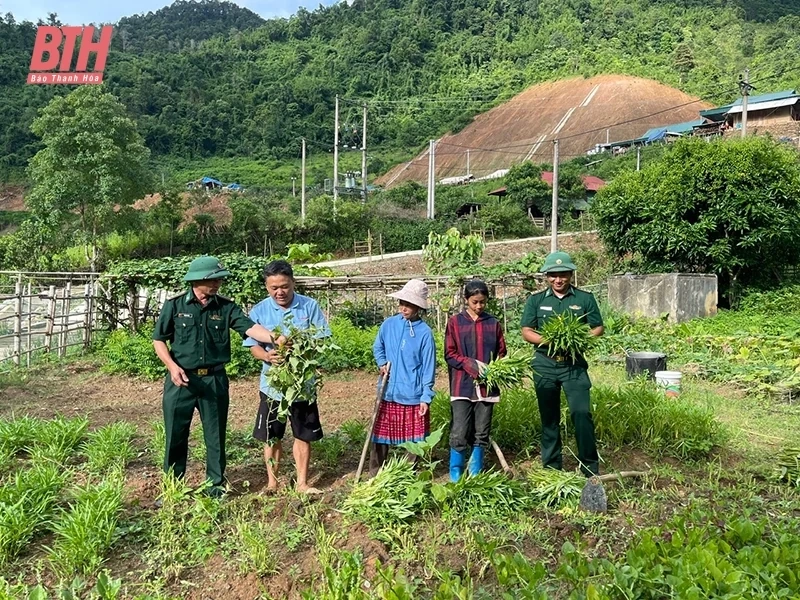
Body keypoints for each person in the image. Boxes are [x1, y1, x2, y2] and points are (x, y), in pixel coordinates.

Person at [152, 255, 281, 499]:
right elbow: (159, 339)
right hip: (181, 380)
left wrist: (275, 337)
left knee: (215, 435)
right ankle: (172, 487)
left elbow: (249, 328)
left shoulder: (225, 307)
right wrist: (171, 366)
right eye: (213, 280)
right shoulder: (175, 306)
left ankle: (215, 486)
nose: (217, 285)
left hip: (214, 381)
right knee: (175, 435)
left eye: (219, 280)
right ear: (197, 280)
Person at [243, 260, 330, 495]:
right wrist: (268, 357)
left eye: (284, 286)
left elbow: (322, 340)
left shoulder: (309, 306)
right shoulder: (259, 310)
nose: (279, 292)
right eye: (274, 288)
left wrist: (302, 351)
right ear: (266, 287)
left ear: (293, 283)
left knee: (303, 434)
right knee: (271, 436)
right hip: (273, 386)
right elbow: (253, 346)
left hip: (303, 386)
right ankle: (273, 482)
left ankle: (302, 483)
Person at [520, 251, 604, 476]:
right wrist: (550, 340)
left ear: (571, 274)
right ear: (547, 276)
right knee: (549, 417)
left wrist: (582, 338)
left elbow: (597, 327)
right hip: (544, 364)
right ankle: (552, 468)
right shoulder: (536, 300)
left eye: (564, 274)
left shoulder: (584, 299)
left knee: (581, 413)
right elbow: (526, 330)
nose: (559, 280)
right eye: (553, 275)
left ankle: (589, 468)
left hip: (573, 365)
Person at [370, 279, 436, 476]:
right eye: (402, 303)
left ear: (418, 307)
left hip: (412, 393)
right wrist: (382, 362)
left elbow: (428, 368)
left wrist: (426, 396)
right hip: (388, 390)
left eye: (409, 304)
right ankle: (375, 475)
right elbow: (378, 346)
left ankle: (407, 475)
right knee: (379, 436)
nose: (404, 307)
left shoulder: (425, 334)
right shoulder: (389, 325)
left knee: (414, 440)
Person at [444, 280, 507, 482]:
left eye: (483, 302)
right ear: (466, 300)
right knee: (459, 429)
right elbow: (449, 354)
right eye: (475, 302)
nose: (479, 306)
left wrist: (499, 367)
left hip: (487, 387)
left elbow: (502, 352)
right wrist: (468, 364)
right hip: (462, 384)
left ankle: (476, 469)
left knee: (482, 430)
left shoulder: (492, 323)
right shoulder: (455, 322)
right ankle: (455, 471)